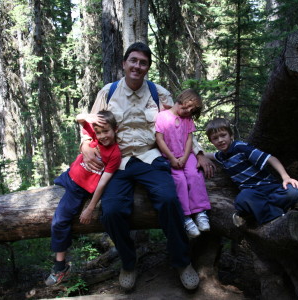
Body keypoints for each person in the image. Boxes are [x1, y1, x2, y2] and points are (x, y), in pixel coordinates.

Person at [80, 42, 215, 291]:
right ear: (124, 63)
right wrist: (86, 146)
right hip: (117, 162)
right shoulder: (108, 93)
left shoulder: (157, 93)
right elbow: (91, 125)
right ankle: (129, 263)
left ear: (147, 67)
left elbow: (180, 122)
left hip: (151, 157)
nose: (137, 66)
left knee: (168, 200)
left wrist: (200, 152)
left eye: (143, 62)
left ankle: (181, 262)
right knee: (111, 211)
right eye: (133, 60)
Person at [45, 110, 121, 286]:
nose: (102, 136)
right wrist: (90, 118)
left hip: (79, 190)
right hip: (69, 176)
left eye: (106, 131)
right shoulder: (94, 136)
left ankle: (59, 267)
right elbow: (79, 118)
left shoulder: (115, 154)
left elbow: (103, 182)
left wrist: (90, 207)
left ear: (115, 129)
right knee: (58, 217)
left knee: (59, 222)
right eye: (99, 132)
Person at [204, 117, 298, 226]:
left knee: (295, 191)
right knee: (242, 199)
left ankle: (266, 213)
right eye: (215, 138)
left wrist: (286, 177)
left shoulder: (240, 148)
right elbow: (206, 155)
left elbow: (271, 158)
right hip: (252, 193)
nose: (220, 140)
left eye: (223, 135)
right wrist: (199, 156)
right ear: (211, 141)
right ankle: (277, 214)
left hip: (269, 187)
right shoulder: (221, 156)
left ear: (230, 135)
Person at [155, 89, 211, 238]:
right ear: (180, 99)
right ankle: (186, 217)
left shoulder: (188, 120)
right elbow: (159, 139)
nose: (187, 112)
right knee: (179, 180)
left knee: (194, 175)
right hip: (169, 157)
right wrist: (172, 158)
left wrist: (186, 157)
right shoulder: (162, 117)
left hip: (186, 156)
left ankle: (200, 212)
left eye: (191, 111)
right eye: (186, 107)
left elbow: (189, 139)